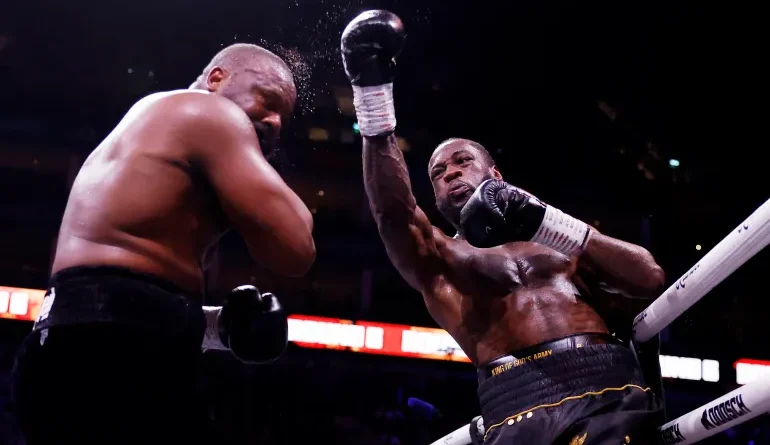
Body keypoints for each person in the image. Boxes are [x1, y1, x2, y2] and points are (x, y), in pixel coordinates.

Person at [342, 11, 666, 445]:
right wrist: (372, 95)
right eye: (439, 173)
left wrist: (544, 219)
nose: (451, 174)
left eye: (462, 162)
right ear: (435, 196)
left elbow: (648, 278)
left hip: (604, 390)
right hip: (515, 406)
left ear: (494, 174)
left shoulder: (559, 243)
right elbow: (392, 215)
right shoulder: (444, 260)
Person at [11, 43, 315, 445]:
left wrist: (215, 326)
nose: (275, 122)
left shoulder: (150, 123)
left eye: (284, 118)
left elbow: (114, 288)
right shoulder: (211, 111)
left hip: (61, 350)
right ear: (217, 79)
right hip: (117, 359)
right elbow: (295, 247)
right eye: (267, 100)